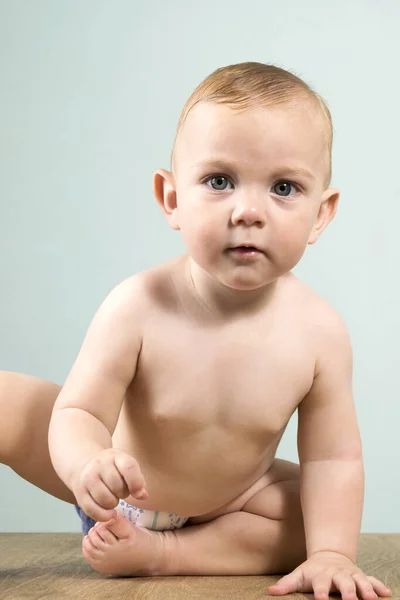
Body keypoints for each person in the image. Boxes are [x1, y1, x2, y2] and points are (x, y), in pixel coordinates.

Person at [0, 62, 392, 600]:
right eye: (219, 181)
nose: (248, 211)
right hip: (115, 495)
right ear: (172, 198)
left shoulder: (319, 333)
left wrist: (332, 553)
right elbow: (79, 412)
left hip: (228, 509)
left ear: (321, 215)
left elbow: (333, 458)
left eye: (283, 187)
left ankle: (164, 555)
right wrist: (88, 463)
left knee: (321, 511)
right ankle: (134, 528)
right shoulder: (137, 304)